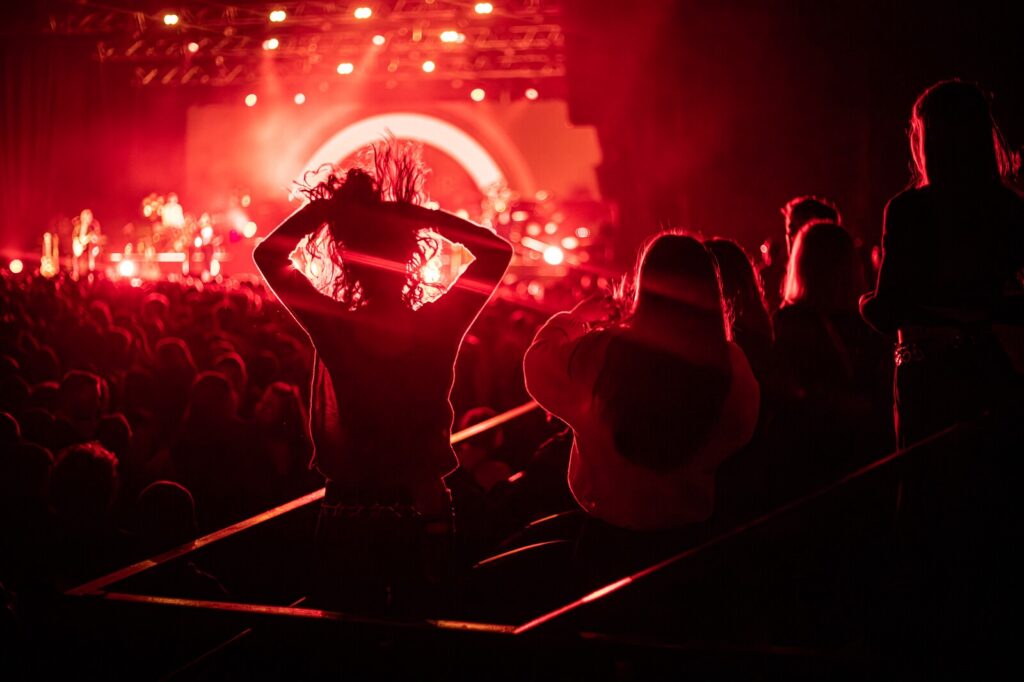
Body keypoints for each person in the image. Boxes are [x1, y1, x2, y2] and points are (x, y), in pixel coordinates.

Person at [253, 142, 513, 609]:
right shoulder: (439, 324)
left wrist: (327, 209)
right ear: (411, 256)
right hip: (423, 501)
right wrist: (420, 217)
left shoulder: (334, 326)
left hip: (350, 504)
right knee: (423, 634)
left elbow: (268, 256)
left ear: (347, 259)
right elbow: (495, 252)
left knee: (346, 641)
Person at [523, 232, 759, 531]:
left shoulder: (601, 352)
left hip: (610, 534)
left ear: (643, 285)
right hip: (694, 534)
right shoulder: (730, 361)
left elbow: (538, 366)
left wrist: (575, 318)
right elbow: (741, 429)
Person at [860, 79, 1024, 447]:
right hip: (993, 369)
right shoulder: (1010, 209)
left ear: (928, 139)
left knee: (927, 485)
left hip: (928, 374)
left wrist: (865, 303)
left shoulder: (909, 210)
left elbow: (888, 311)